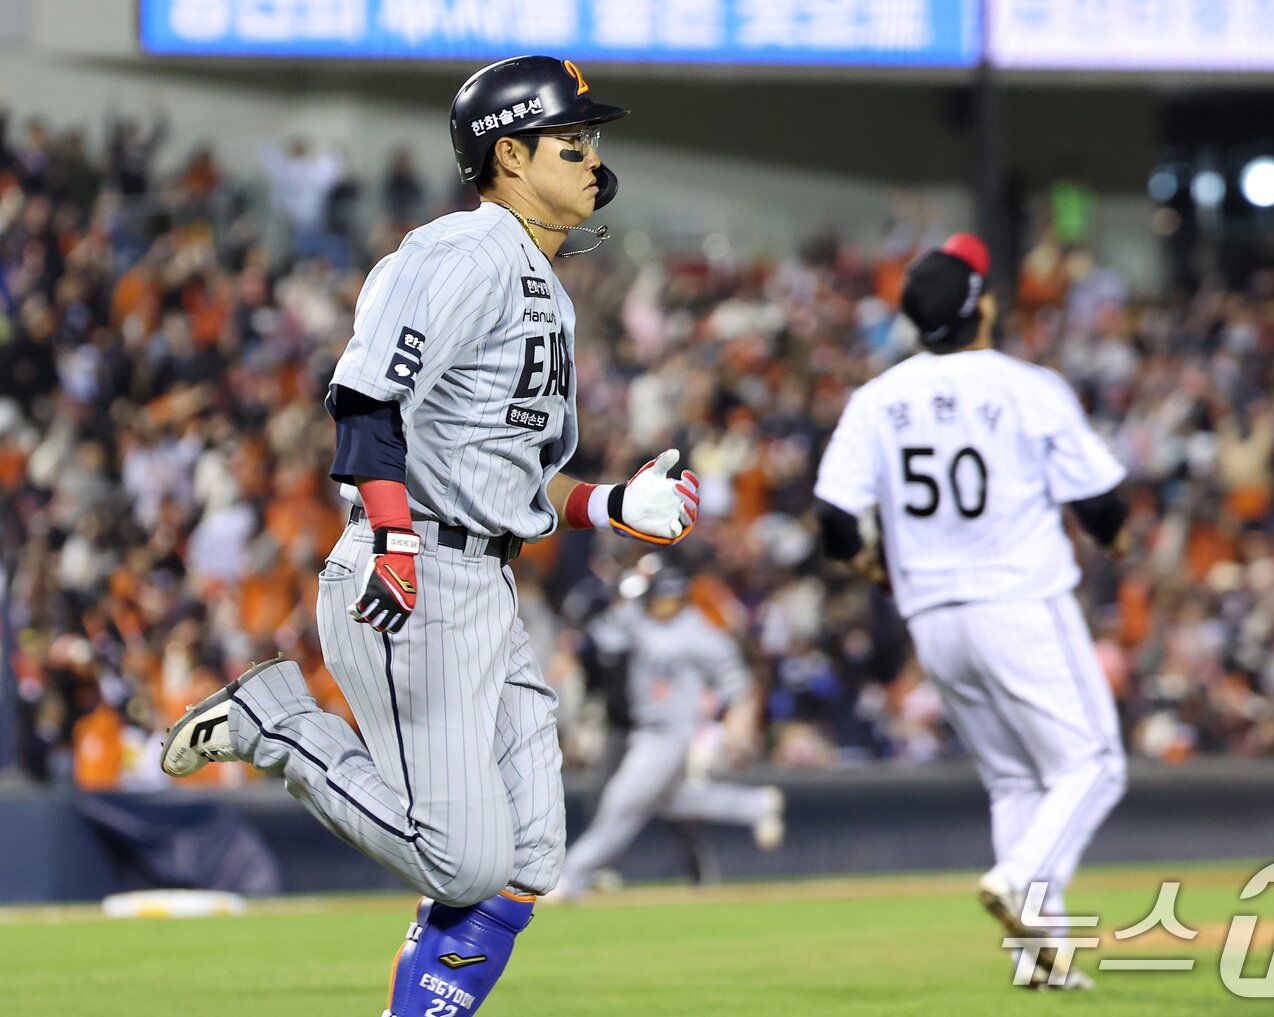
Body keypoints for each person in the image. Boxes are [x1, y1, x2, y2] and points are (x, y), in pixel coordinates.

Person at [159, 55, 700, 1017]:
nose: (591, 158)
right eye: (570, 142)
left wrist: (610, 506)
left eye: (593, 141)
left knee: (532, 853)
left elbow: (512, 475)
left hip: (483, 579)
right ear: (509, 153)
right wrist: (399, 544)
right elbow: (368, 401)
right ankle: (273, 721)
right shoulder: (458, 254)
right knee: (464, 859)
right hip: (411, 570)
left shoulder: (543, 284)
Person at [813, 234, 1129, 990]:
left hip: (933, 615)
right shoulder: (1028, 385)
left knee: (1017, 782)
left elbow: (833, 516)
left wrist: (868, 562)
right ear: (982, 303)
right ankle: (1022, 875)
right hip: (1018, 598)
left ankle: (1039, 961)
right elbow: (1104, 504)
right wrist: (1112, 541)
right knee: (1094, 763)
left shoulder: (877, 396)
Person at [554, 562, 784, 901]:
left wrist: (739, 721)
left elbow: (739, 683)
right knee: (674, 801)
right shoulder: (638, 617)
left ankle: (571, 879)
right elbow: (602, 635)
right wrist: (632, 590)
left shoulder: (699, 632)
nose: (663, 603)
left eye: (669, 596)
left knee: (620, 803)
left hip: (670, 733)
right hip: (644, 730)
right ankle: (754, 806)